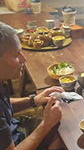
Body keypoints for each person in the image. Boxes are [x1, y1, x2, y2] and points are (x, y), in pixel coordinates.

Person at [0, 21, 64, 149]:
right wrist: (45, 125)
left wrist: (33, 100)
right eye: (16, 55)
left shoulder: (2, 80)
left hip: (14, 128)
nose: (24, 59)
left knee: (61, 130)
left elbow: (4, 106)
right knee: (61, 135)